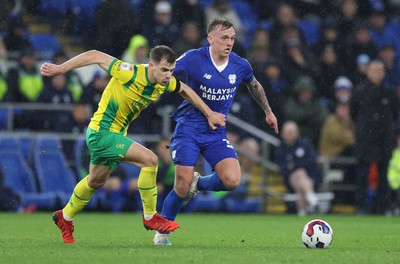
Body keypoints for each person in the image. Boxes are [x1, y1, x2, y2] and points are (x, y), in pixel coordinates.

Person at [40, 45, 226, 244]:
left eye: (171, 70)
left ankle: (64, 217)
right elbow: (95, 54)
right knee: (150, 160)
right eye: (164, 70)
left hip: (113, 135)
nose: (168, 75)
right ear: (151, 65)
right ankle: (150, 216)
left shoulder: (164, 83)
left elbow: (185, 89)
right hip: (101, 133)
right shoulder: (129, 72)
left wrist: (209, 113)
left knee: (95, 181)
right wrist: (61, 69)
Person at [154, 18, 278, 245]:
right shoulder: (193, 58)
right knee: (181, 183)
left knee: (232, 180)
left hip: (216, 132)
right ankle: (162, 232)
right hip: (188, 129)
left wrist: (268, 112)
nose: (229, 42)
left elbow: (255, 85)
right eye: (224, 38)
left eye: (232, 38)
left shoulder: (240, 65)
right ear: (210, 38)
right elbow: (168, 73)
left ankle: (198, 183)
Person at [350, 60, 399, 214]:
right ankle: (361, 207)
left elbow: (396, 114)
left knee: (384, 176)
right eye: (373, 70)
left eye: (379, 71)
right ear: (367, 72)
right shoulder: (359, 91)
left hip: (384, 139)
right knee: (362, 175)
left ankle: (382, 208)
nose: (376, 74)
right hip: (365, 139)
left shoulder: (390, 92)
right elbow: (354, 113)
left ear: (384, 73)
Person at [273, 121, 320, 216]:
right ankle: (311, 197)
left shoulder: (305, 144)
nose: (289, 135)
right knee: (299, 174)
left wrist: (295, 165)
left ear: (297, 132)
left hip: (309, 177)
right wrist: (297, 167)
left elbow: (312, 162)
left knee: (300, 182)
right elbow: (282, 167)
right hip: (289, 179)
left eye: (292, 132)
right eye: (287, 132)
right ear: (283, 133)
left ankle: (302, 212)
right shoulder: (280, 148)